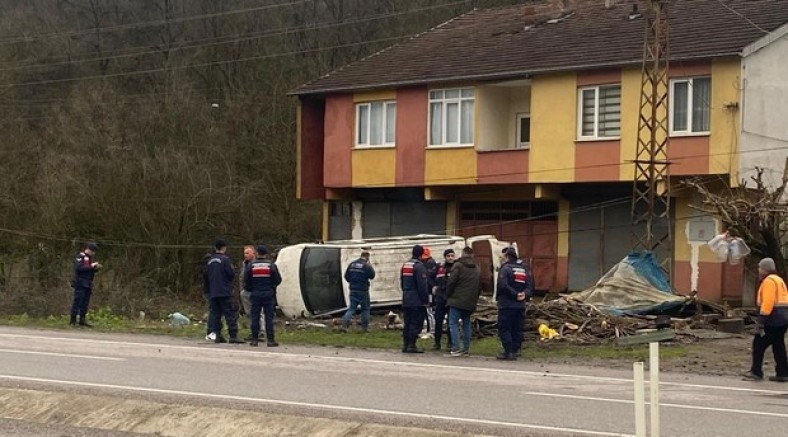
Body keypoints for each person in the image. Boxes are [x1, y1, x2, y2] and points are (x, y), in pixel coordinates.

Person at [742, 257, 788, 381]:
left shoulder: (768, 281)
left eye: (760, 267)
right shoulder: (779, 280)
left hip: (772, 319)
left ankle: (756, 372)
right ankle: (783, 373)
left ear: (764, 269)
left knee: (758, 344)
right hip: (783, 319)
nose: (758, 270)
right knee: (778, 345)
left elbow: (768, 302)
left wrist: (761, 321)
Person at [496, 246, 534, 361]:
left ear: (507, 257)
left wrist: (515, 294)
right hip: (520, 305)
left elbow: (503, 285)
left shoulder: (506, 269)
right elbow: (530, 285)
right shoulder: (524, 269)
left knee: (504, 328)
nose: (501, 258)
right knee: (517, 328)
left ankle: (508, 352)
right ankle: (515, 350)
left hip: (507, 304)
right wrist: (524, 294)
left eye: (503, 256)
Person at [204, 239, 243, 344]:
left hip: (213, 292)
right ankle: (233, 336)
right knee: (230, 313)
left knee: (215, 315)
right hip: (225, 292)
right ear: (224, 248)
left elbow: (206, 276)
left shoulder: (209, 261)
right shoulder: (225, 260)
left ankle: (215, 335)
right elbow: (231, 274)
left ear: (215, 248)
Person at [244, 245, 282, 347]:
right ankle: (270, 340)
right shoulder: (271, 265)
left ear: (257, 253)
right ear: (266, 253)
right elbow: (278, 279)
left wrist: (250, 289)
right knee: (269, 317)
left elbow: (246, 280)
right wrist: (272, 287)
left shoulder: (251, 265)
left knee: (254, 317)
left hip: (255, 294)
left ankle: (254, 340)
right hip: (268, 294)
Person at [446, 246, 481, 357]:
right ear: (472, 255)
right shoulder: (477, 268)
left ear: (463, 254)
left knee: (453, 323)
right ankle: (466, 349)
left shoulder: (458, 266)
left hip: (456, 300)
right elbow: (480, 286)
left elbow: (451, 282)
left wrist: (448, 295)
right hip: (470, 301)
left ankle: (455, 348)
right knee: (466, 324)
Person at [401, 245, 429, 353]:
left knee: (407, 322)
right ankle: (412, 345)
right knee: (416, 322)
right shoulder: (419, 266)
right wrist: (425, 300)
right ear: (421, 254)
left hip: (406, 298)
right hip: (416, 300)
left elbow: (402, 283)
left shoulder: (405, 265)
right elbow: (422, 285)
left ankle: (405, 344)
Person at [341, 249, 376, 332]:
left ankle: (344, 326)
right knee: (365, 309)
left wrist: (352, 282)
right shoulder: (366, 266)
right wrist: (370, 265)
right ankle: (364, 328)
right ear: (367, 257)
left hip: (353, 289)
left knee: (351, 309)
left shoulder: (352, 264)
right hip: (363, 290)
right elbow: (372, 276)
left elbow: (346, 276)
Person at [70, 242, 101, 327]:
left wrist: (95, 268)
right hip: (80, 283)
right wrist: (91, 266)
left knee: (85, 303)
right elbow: (79, 268)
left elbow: (88, 270)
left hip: (88, 283)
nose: (93, 253)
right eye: (93, 251)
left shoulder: (89, 258)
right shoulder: (80, 257)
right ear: (88, 249)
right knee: (77, 301)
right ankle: (72, 321)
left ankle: (82, 320)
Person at [239, 245, 265, 341]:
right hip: (246, 292)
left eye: (247, 253)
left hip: (256, 291)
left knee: (259, 312)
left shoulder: (257, 264)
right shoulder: (244, 265)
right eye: (244, 253)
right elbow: (241, 279)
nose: (245, 255)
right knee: (249, 313)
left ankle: (262, 331)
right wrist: (241, 291)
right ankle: (253, 331)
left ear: (253, 254)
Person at [432, 248, 455, 350]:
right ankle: (437, 343)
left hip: (451, 299)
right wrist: (434, 287)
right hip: (440, 298)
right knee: (438, 321)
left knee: (451, 322)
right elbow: (430, 277)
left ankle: (450, 343)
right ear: (445, 257)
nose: (450, 258)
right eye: (448, 256)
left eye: (452, 256)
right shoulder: (439, 267)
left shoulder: (456, 268)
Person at [420, 247, 438, 338]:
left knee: (429, 310)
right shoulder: (430, 263)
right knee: (428, 311)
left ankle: (432, 330)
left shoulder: (429, 264)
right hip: (428, 291)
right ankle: (429, 329)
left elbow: (429, 279)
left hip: (429, 291)